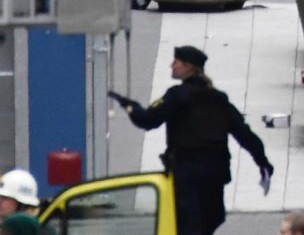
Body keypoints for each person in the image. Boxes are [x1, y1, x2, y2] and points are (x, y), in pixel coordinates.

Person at [114, 45, 273, 235]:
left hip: (185, 172)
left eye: (176, 62)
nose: (171, 65)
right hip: (215, 172)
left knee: (187, 224)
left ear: (189, 67)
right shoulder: (219, 99)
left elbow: (148, 120)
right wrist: (263, 163)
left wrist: (130, 106)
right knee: (209, 220)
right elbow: (244, 134)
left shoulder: (176, 95)